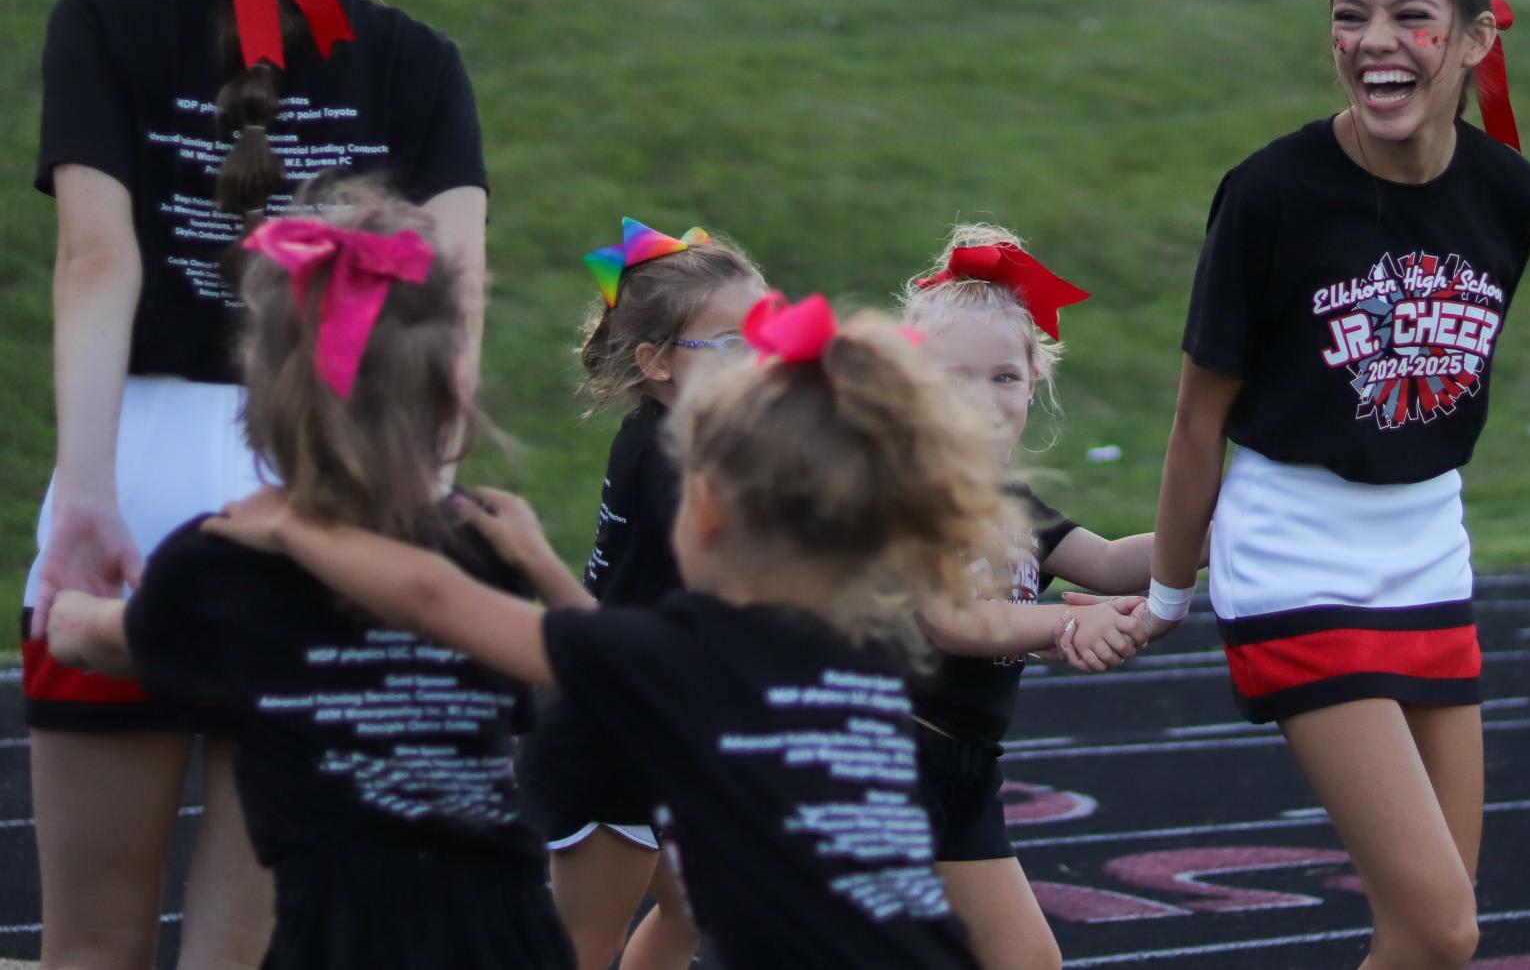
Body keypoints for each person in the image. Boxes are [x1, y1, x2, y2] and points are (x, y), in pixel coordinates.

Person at [27, 0, 487, 969]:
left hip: (129, 473)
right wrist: (423, 507)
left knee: (87, 947)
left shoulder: (100, 21)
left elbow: (93, 263)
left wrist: (87, 488)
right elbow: (451, 303)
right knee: (246, 954)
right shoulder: (420, 61)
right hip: (334, 496)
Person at [202, 292, 1025, 969]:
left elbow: (431, 596)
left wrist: (295, 528)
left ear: (700, 513)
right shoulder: (867, 649)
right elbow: (599, 647)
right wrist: (538, 559)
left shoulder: (691, 656)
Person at [1144, 0, 1530, 969]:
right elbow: (1198, 418)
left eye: (1412, 16)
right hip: (1295, 552)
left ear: (1470, 42)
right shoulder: (1271, 195)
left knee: (1435, 936)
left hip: (1428, 548)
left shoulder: (1511, 193)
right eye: (1350, 15)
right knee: (1443, 921)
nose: (1376, 39)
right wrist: (1166, 589)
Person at [47, 182, 568, 970]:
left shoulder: (220, 564)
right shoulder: (492, 549)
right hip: (509, 938)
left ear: (261, 394)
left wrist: (68, 607)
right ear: (451, 389)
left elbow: (95, 639)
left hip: (335, 942)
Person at [899, 225, 1158, 970]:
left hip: (964, 771)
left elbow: (1110, 564)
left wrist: (1228, 531)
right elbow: (950, 617)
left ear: (1033, 381)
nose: (983, 401)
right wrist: (1059, 626)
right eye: (953, 379)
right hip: (879, 762)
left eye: (1003, 378)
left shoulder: (1012, 504)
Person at [516, 217, 765, 970]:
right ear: (656, 363)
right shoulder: (670, 455)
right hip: (614, 734)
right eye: (729, 345)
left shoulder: (682, 437)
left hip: (658, 716)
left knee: (699, 909)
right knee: (586, 945)